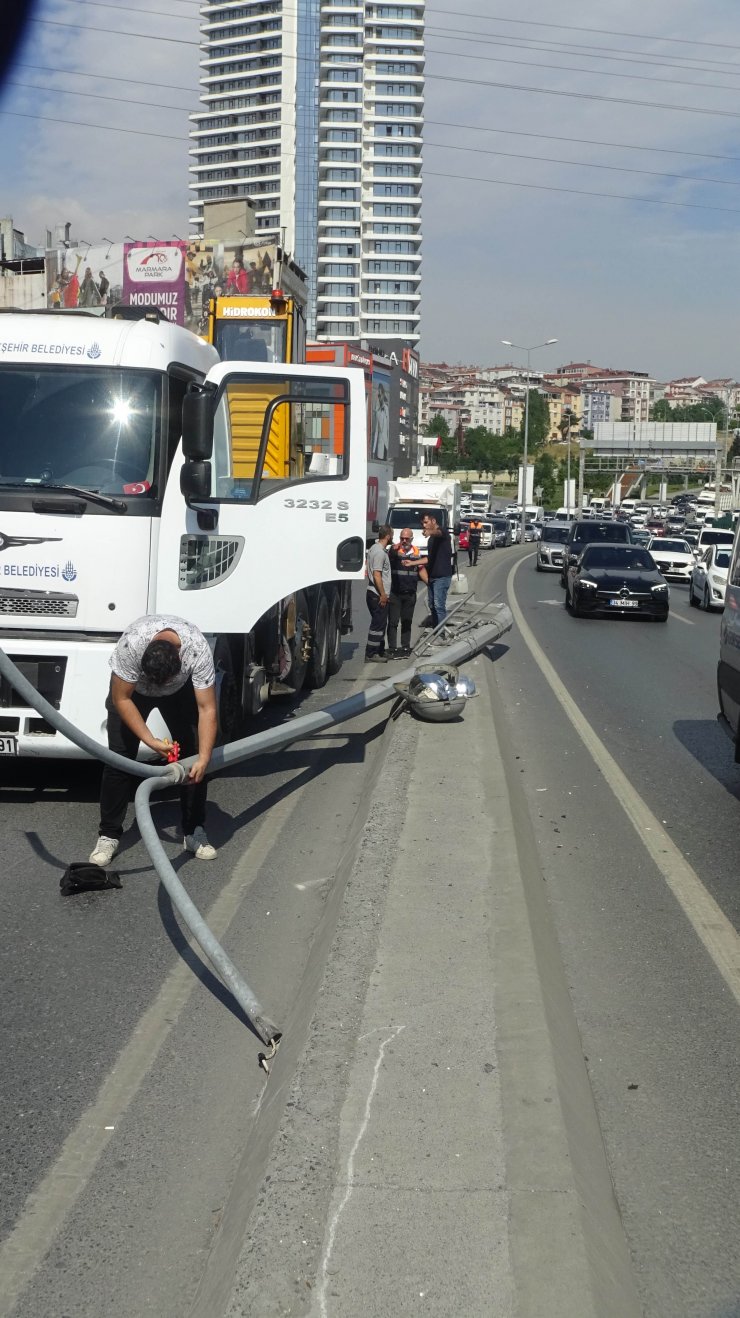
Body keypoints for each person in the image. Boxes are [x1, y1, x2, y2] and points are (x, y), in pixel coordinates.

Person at [89, 615, 219, 867]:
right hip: (133, 693)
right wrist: (150, 740)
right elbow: (121, 699)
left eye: (163, 682)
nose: (158, 687)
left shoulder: (197, 650)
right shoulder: (131, 645)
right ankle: (108, 835)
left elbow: (207, 709)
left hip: (179, 693)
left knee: (193, 757)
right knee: (119, 759)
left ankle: (193, 831)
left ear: (180, 658)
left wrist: (204, 758)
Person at [387, 529, 427, 657]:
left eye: (407, 539)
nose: (404, 541)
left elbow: (421, 569)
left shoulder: (416, 552)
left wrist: (429, 583)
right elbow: (390, 557)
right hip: (395, 592)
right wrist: (393, 549)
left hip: (410, 593)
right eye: (402, 538)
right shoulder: (394, 550)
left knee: (407, 621)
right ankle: (392, 649)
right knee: (393, 622)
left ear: (411, 539)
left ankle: (405, 647)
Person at [365, 524, 393, 663]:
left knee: (381, 623)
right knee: (377, 625)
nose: (392, 537)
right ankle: (371, 654)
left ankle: (379, 650)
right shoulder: (380, 553)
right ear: (387, 536)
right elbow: (377, 575)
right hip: (377, 594)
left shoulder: (374, 548)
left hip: (375, 593)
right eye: (391, 535)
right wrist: (383, 594)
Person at [422, 512, 454, 629]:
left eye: (426, 522)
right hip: (432, 576)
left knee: (439, 605)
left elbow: (438, 533)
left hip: (442, 576)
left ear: (433, 521)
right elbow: (429, 558)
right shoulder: (431, 540)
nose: (424, 525)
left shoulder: (443, 532)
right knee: (431, 605)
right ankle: (436, 629)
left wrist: (430, 532)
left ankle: (441, 633)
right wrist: (412, 563)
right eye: (423, 523)